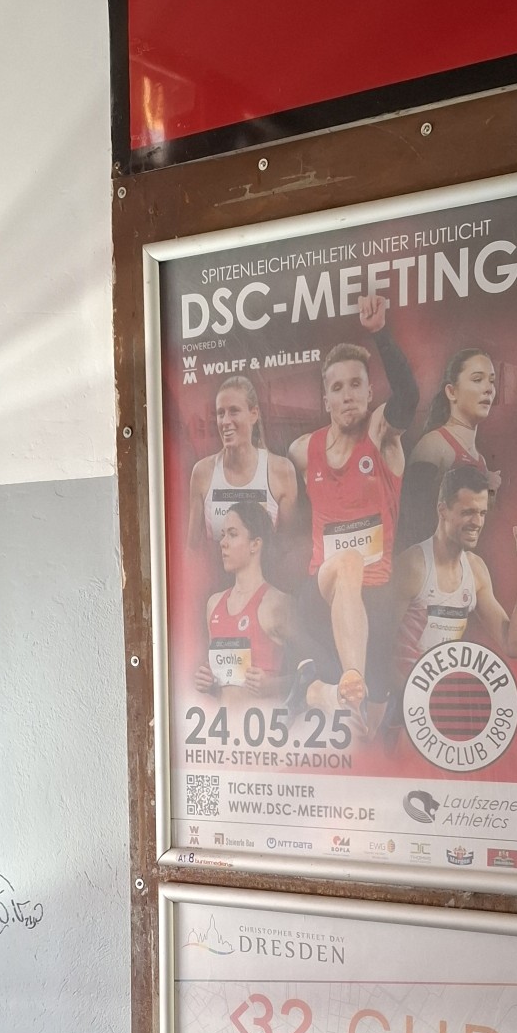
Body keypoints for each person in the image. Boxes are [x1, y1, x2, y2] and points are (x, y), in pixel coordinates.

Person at [287, 295, 418, 726]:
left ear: (370, 392)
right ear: (325, 398)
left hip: (373, 600)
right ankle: (350, 676)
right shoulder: (302, 451)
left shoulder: (381, 437)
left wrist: (381, 333)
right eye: (338, 388)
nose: (348, 395)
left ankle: (316, 691)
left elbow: (409, 397)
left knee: (369, 728)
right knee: (346, 561)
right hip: (321, 593)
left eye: (356, 385)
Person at [392, 463, 517, 681]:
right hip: (402, 696)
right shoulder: (413, 566)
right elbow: (379, 647)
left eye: (482, 513)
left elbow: (513, 645)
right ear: (442, 510)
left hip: (442, 694)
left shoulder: (475, 570)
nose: (477, 522)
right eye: (468, 512)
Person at [397, 348, 501, 552]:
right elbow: (412, 519)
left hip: (463, 563)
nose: (488, 389)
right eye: (477, 379)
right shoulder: (433, 446)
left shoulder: (480, 459)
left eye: (491, 381)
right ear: (451, 392)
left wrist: (491, 492)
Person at [187, 376, 298, 550]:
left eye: (234, 411)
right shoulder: (202, 472)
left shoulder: (280, 470)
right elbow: (191, 550)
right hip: (216, 568)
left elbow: (290, 548)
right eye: (220, 413)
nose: (225, 421)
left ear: (254, 414)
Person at [194, 500, 291, 697]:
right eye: (223, 535)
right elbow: (223, 682)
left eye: (232, 534)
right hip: (223, 717)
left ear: (255, 544)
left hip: (267, 715)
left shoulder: (277, 603)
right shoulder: (214, 604)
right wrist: (208, 682)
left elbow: (314, 674)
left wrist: (273, 685)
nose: (223, 542)